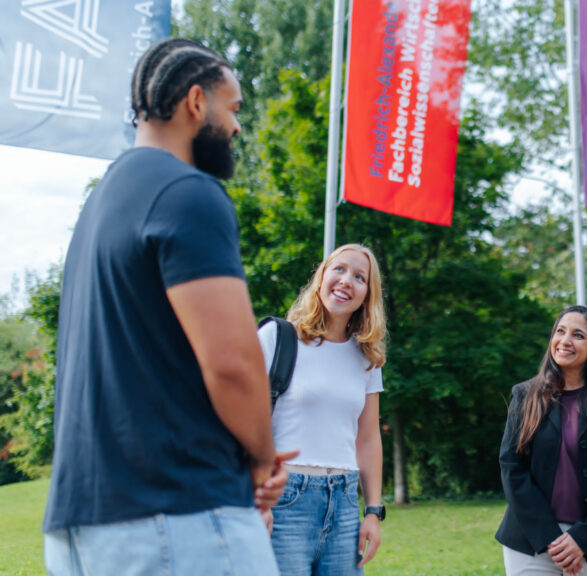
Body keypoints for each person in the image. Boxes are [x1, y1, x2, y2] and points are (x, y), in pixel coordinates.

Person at [43, 38, 293, 575]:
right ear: (196, 103)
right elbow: (232, 363)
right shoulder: (187, 192)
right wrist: (263, 459)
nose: (237, 126)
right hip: (177, 518)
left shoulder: (101, 203)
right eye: (234, 108)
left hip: (81, 530)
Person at [259, 243, 387, 575]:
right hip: (284, 499)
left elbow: (369, 438)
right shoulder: (278, 337)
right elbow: (247, 423)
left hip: (344, 503)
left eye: (360, 277)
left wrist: (372, 511)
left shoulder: (367, 358)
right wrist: (256, 497)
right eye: (339, 269)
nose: (347, 280)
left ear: (366, 295)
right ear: (321, 278)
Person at [496, 305, 587, 576]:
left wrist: (582, 539)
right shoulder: (525, 395)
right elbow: (512, 467)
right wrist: (550, 537)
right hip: (530, 540)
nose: (565, 340)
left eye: (578, 335)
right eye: (560, 331)